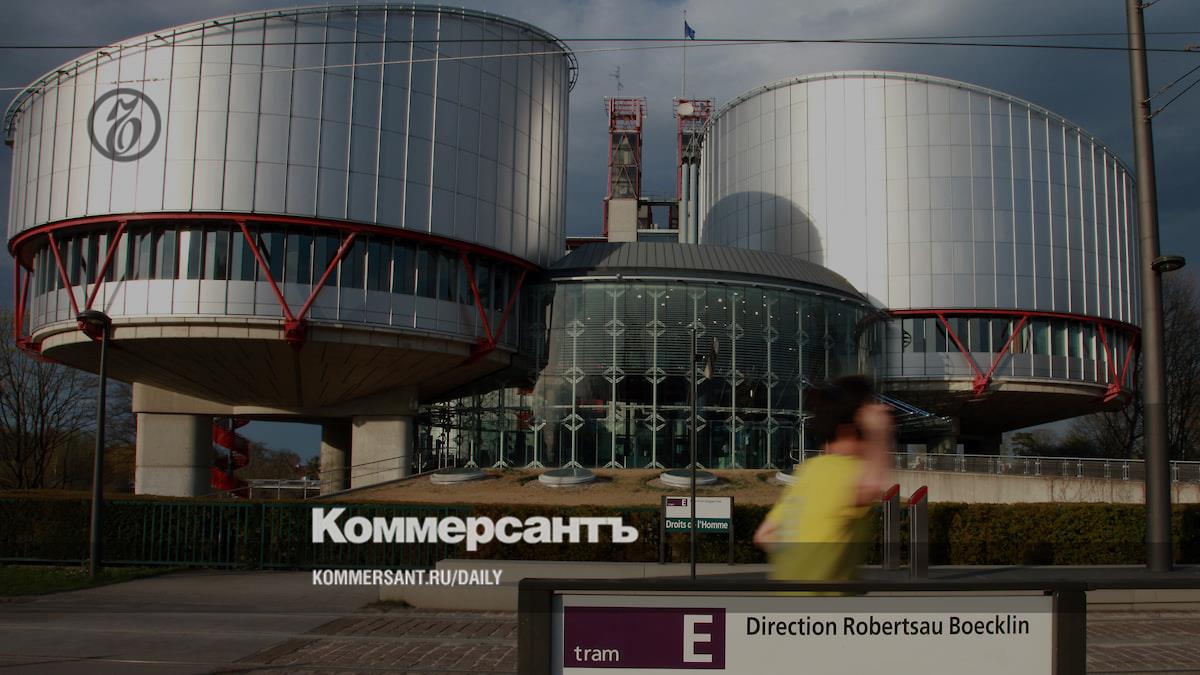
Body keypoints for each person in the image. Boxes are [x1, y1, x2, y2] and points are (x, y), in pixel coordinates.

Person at [753, 376, 893, 588]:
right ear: (851, 429)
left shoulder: (810, 470)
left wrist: (798, 563)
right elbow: (871, 487)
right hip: (823, 600)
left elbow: (764, 535)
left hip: (784, 595)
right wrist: (880, 433)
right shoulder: (849, 471)